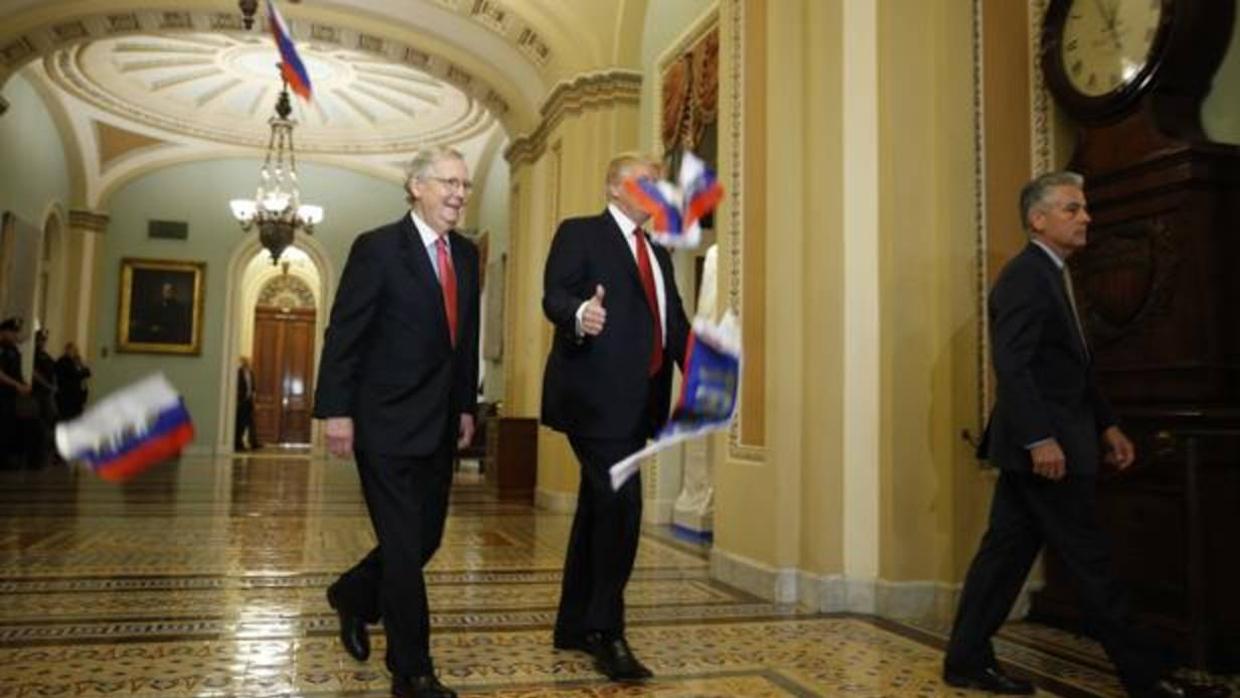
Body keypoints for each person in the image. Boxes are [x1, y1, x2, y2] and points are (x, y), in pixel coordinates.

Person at [944, 172, 1225, 698]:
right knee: (1091, 561)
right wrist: (1038, 440)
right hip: (1046, 451)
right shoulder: (1026, 276)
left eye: (1085, 208)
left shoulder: (1055, 274)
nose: (1086, 217)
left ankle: (964, 659)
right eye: (1073, 209)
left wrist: (1107, 423)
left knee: (1003, 558)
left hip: (1052, 442)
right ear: (1039, 219)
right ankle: (1147, 679)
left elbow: (1072, 368)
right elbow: (1015, 366)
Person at [313, 146, 480, 698]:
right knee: (405, 548)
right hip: (382, 421)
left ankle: (355, 596)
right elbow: (345, 333)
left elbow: (464, 343)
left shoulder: (468, 256)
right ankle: (412, 670)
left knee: (425, 538)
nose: (458, 194)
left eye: (464, 184)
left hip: (437, 424)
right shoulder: (379, 249)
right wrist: (336, 410)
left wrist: (464, 406)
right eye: (448, 183)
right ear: (416, 187)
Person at [540, 152, 690, 682]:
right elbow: (555, 294)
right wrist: (582, 312)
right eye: (646, 181)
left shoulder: (659, 254)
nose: (657, 189)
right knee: (623, 508)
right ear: (615, 188)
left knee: (597, 510)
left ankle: (573, 624)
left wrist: (704, 367)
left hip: (639, 406)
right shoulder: (580, 233)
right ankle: (607, 631)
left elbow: (673, 324)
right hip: (593, 402)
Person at [0, 318, 31, 470]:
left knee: (10, 426)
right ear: (4, 331)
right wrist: (17, 385)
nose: (14, 335)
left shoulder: (13, 349)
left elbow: (16, 372)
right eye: (12, 332)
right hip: (3, 393)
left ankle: (8, 458)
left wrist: (24, 383)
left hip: (12, 395)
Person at [30, 328, 57, 466]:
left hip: (47, 393)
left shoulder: (45, 355)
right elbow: (33, 372)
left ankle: (44, 453)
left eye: (44, 340)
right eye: (41, 339)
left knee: (49, 422)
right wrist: (47, 385)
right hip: (38, 393)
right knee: (39, 424)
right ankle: (38, 455)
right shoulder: (32, 353)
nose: (43, 342)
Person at [54, 342, 91, 421]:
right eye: (74, 350)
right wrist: (82, 371)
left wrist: (81, 364)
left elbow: (88, 372)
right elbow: (74, 374)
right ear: (67, 350)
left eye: (76, 350)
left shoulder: (75, 362)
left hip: (77, 397)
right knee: (68, 418)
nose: (76, 352)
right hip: (66, 397)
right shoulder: (63, 361)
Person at [235, 356, 261, 451]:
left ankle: (254, 442)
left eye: (250, 361)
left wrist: (254, 402)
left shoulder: (251, 373)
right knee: (241, 423)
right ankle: (238, 444)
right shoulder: (238, 372)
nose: (249, 362)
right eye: (247, 361)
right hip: (241, 401)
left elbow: (253, 389)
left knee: (251, 422)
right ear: (243, 362)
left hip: (249, 400)